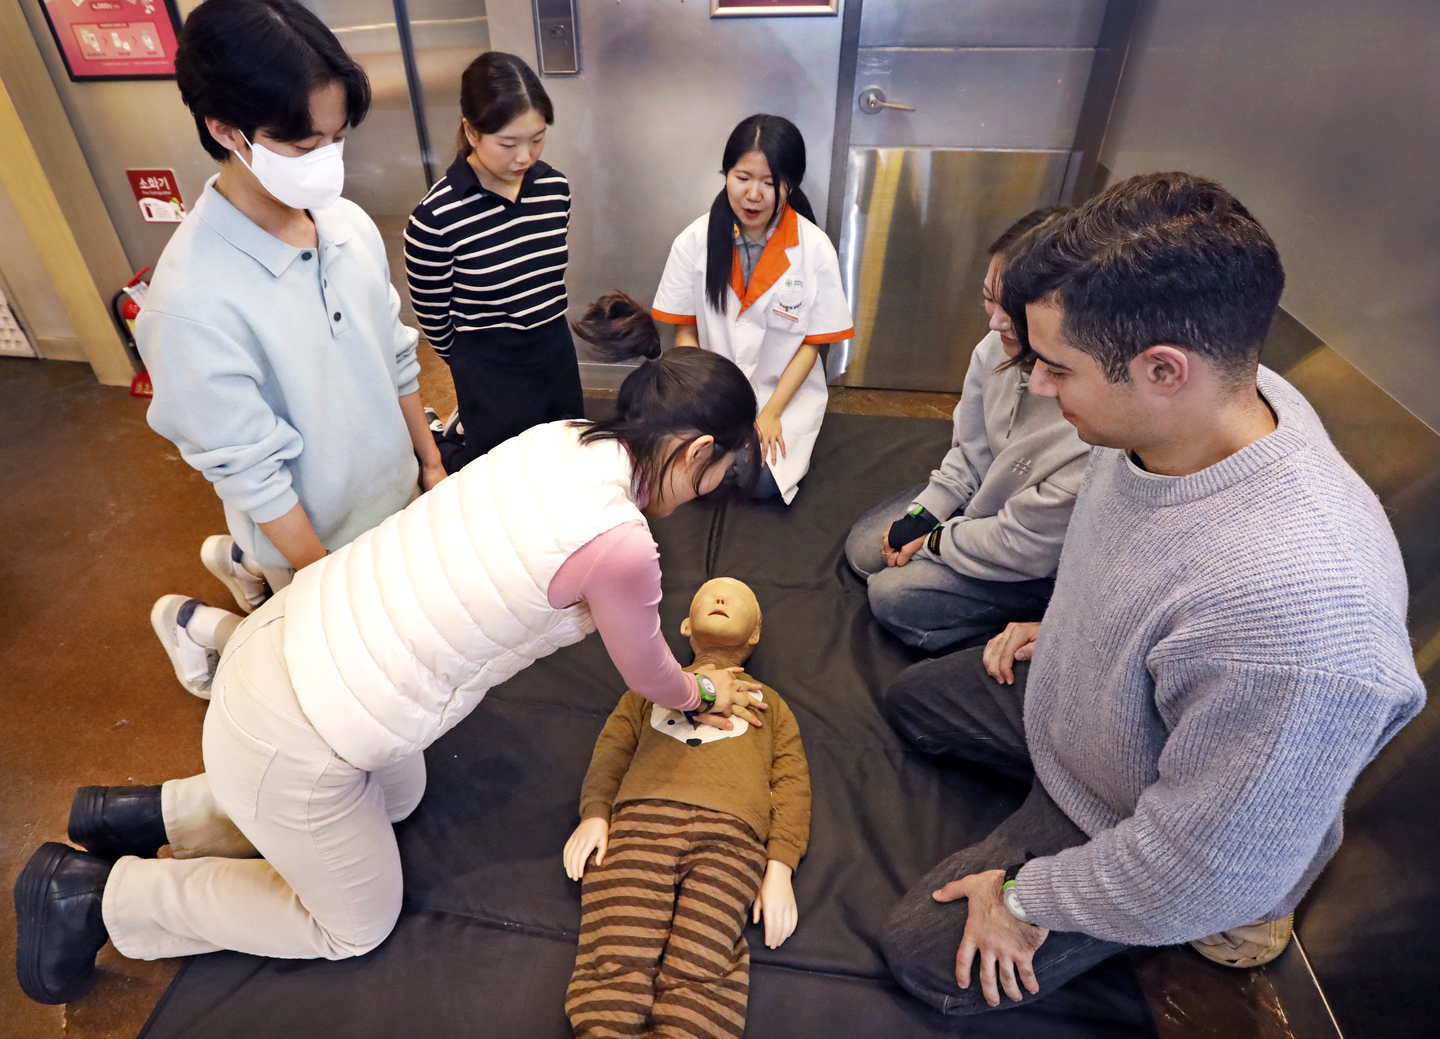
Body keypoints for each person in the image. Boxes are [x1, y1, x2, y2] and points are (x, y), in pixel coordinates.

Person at [14, 311, 771, 1006]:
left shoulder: (567, 437)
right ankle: (97, 895)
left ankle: (150, 811)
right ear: (699, 450)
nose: (713, 488)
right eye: (721, 471)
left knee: (400, 794)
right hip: (297, 732)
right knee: (354, 923)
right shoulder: (623, 546)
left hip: (284, 642)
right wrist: (704, 690)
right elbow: (649, 676)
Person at [877, 172, 1425, 1014]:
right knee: (914, 702)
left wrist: (1028, 899)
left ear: (1163, 369)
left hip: (1161, 829)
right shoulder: (1213, 402)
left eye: (1057, 369)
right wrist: (1058, 625)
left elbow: (1203, 862)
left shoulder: (1302, 617)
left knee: (924, 955)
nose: (1040, 388)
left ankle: (1187, 918)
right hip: (1091, 707)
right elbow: (1131, 563)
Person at [134, 0, 444, 698]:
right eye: (303, 147)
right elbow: (253, 471)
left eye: (336, 138)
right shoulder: (189, 303)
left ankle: (234, 558)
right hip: (310, 542)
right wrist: (320, 576)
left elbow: (395, 355)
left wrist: (429, 463)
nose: (326, 162)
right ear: (224, 130)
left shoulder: (348, 225)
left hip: (392, 502)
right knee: (319, 672)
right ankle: (193, 622)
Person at [564, 577, 809, 1039]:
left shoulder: (772, 707)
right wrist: (596, 813)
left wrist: (780, 867)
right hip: (640, 824)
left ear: (754, 634)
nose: (720, 598)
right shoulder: (648, 688)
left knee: (704, 962)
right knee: (618, 945)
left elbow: (793, 785)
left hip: (732, 840)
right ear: (684, 625)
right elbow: (611, 752)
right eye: (708, 596)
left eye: (736, 600)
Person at [844, 208, 1087, 651]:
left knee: (891, 595)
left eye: (1009, 309)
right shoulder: (993, 348)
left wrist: (934, 540)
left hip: (1035, 558)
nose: (994, 322)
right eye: (988, 299)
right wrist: (925, 513)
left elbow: (1025, 543)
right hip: (985, 510)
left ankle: (1030, 624)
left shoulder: (1089, 418)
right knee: (865, 552)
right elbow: (969, 451)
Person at [651, 114, 854, 504]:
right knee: (679, 465)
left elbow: (812, 345)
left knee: (757, 482)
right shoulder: (694, 240)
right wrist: (702, 401)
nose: (753, 194)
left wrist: (771, 414)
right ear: (726, 174)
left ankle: (736, 459)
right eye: (742, 178)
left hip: (782, 394)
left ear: (789, 185)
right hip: (711, 393)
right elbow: (685, 331)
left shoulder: (814, 249)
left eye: (769, 182)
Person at [404, 52, 581, 474]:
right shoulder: (435, 218)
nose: (525, 156)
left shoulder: (555, 189)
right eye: (508, 143)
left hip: (553, 346)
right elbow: (433, 317)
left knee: (565, 454)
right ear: (471, 129)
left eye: (537, 138)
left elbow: (546, 276)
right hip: (489, 361)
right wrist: (472, 367)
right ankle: (438, 440)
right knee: (501, 474)